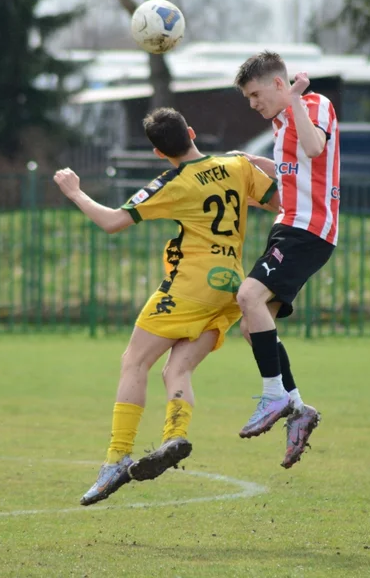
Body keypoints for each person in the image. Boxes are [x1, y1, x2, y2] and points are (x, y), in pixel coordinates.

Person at [53, 107, 277, 506]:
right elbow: (278, 201)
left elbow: (112, 221)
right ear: (191, 132)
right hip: (228, 288)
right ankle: (174, 436)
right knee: (178, 367)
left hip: (188, 288)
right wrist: (259, 167)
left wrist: (74, 192)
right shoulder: (234, 166)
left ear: (159, 153)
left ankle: (116, 458)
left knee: (134, 362)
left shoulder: (170, 182)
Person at [232, 51, 339, 469]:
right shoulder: (282, 122)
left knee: (248, 295)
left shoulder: (314, 105)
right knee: (252, 324)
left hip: (308, 230)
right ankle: (297, 409)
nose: (253, 104)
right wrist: (260, 164)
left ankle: (274, 396)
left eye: (256, 94)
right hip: (289, 226)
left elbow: (314, 147)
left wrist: (295, 97)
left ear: (279, 84)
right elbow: (296, 167)